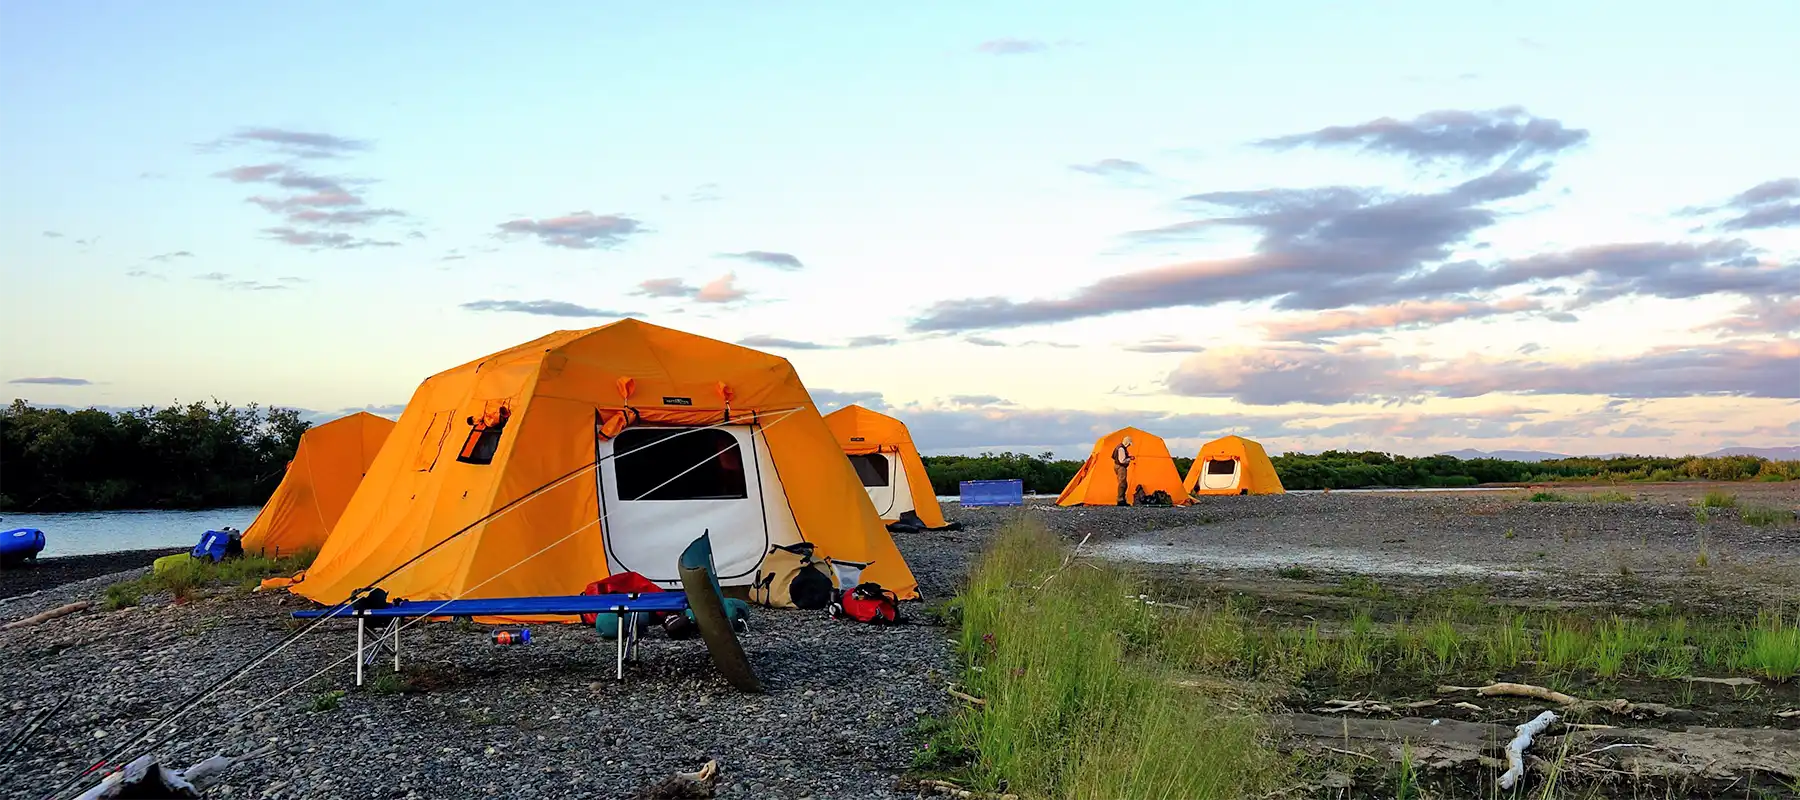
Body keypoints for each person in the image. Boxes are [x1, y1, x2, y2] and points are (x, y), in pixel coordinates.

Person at [1112, 436, 1134, 506]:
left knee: (1123, 483)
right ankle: (1120, 500)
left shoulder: (1119, 447)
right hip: (1121, 467)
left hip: (1117, 466)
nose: (1129, 445)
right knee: (1122, 483)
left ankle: (1122, 499)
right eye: (1129, 444)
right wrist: (1130, 458)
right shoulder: (1121, 449)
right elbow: (1122, 460)